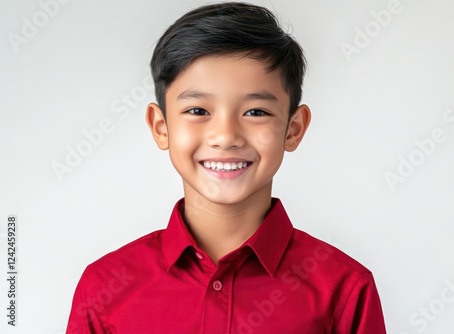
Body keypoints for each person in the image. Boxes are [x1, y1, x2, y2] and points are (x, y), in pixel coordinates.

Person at [66, 2, 386, 333]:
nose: (225, 136)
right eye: (197, 110)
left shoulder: (345, 289)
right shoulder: (104, 288)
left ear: (293, 128)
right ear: (161, 127)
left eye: (256, 112)